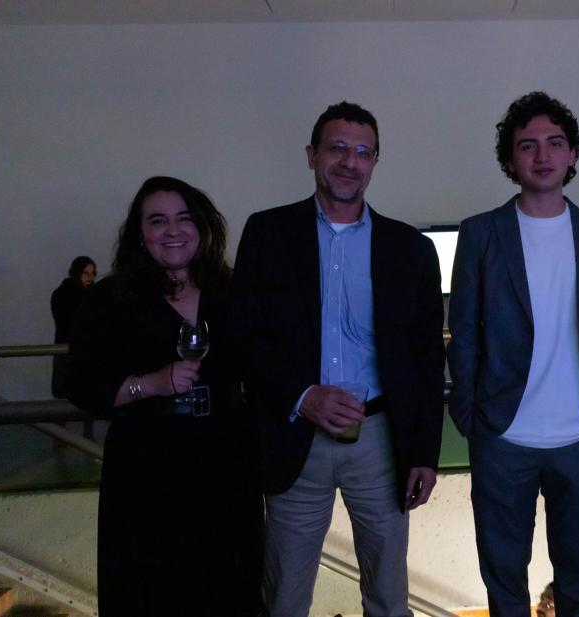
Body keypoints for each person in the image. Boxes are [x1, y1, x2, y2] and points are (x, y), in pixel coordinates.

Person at [229, 102, 445, 617]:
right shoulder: (268, 233)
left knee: (389, 596)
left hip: (381, 440)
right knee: (284, 597)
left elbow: (425, 357)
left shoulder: (411, 248)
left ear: (375, 162)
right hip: (295, 435)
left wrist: (424, 452)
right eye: (338, 148)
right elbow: (243, 336)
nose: (350, 161)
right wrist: (303, 396)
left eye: (364, 152)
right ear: (312, 155)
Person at [448, 92, 579, 617]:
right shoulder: (481, 233)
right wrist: (471, 418)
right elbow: (463, 330)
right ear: (510, 160)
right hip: (503, 437)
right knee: (504, 582)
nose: (542, 155)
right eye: (527, 145)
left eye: (555, 142)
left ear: (573, 154)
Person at [68, 176, 263, 617]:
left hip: (227, 466)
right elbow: (80, 384)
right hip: (146, 470)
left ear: (203, 227)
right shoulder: (110, 299)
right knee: (151, 594)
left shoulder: (233, 292)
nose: (172, 230)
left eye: (184, 218)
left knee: (230, 591)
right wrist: (150, 383)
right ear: (140, 233)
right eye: (157, 221)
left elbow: (264, 367)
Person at [50, 255, 96, 399]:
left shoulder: (61, 293)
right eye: (86, 273)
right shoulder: (84, 296)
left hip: (67, 349)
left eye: (93, 273)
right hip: (73, 351)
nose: (90, 277)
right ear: (77, 273)